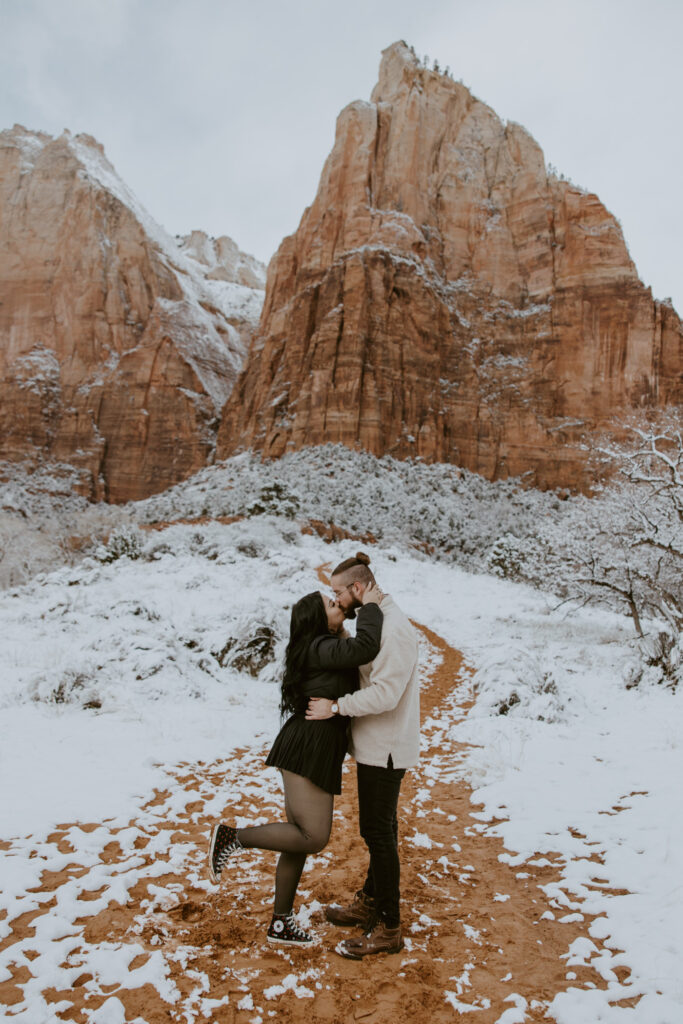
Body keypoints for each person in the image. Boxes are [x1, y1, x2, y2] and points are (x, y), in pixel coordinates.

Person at [207, 584, 383, 947]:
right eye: (332, 604)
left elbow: (353, 648)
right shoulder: (320, 647)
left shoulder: (321, 646)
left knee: (297, 838)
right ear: (319, 620)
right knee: (312, 836)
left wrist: (348, 613)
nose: (339, 605)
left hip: (311, 745)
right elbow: (367, 647)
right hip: (308, 747)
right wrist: (370, 606)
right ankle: (232, 837)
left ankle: (280, 923)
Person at [305, 552, 420, 959]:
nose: (336, 600)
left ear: (357, 588)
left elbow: (386, 694)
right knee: (379, 829)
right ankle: (370, 902)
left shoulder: (396, 628)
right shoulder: (380, 618)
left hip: (386, 748)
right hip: (376, 745)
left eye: (338, 592)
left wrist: (336, 707)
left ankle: (389, 927)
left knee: (377, 834)